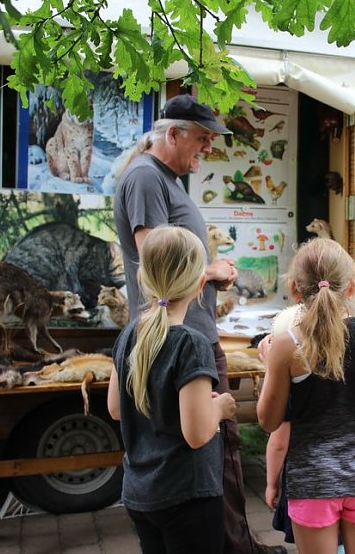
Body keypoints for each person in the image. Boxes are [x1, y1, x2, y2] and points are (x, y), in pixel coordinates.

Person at [113, 93, 286, 554]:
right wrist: (208, 272)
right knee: (207, 447)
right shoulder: (147, 178)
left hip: (176, 332)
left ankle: (234, 543)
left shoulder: (164, 178)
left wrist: (210, 273)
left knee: (211, 453)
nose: (207, 148)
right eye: (203, 138)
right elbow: (157, 254)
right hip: (178, 338)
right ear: (172, 133)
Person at [257, 237, 355, 553]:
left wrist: (272, 368)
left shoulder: (287, 346)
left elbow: (268, 421)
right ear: (351, 288)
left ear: (296, 291)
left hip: (312, 484)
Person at [107, 226, 237, 553]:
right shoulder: (192, 344)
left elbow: (115, 408)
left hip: (141, 494)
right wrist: (220, 407)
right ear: (199, 284)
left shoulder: (128, 335)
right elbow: (196, 433)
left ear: (143, 279)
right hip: (187, 496)